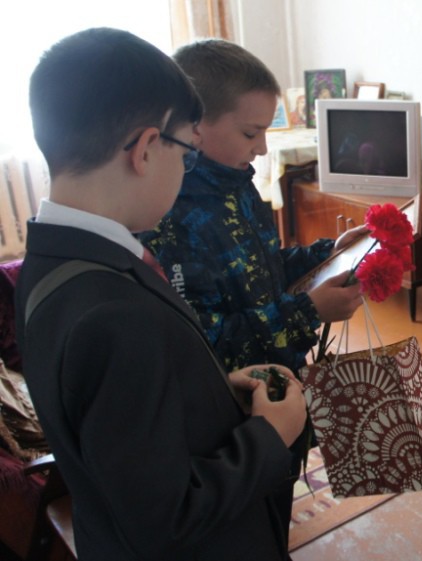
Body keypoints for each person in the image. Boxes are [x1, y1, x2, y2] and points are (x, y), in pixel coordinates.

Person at [15, 28, 306, 560]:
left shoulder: (51, 261)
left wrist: (214, 391)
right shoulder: (112, 315)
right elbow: (166, 519)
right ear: (147, 148)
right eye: (185, 150)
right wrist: (269, 434)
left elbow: (118, 430)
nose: (185, 168)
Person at [138, 38, 364, 541]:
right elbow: (204, 340)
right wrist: (308, 311)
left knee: (276, 496)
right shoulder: (168, 214)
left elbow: (264, 267)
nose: (263, 147)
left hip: (279, 386)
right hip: (234, 413)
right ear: (195, 126)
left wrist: (326, 252)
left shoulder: (237, 182)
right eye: (251, 132)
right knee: (248, 518)